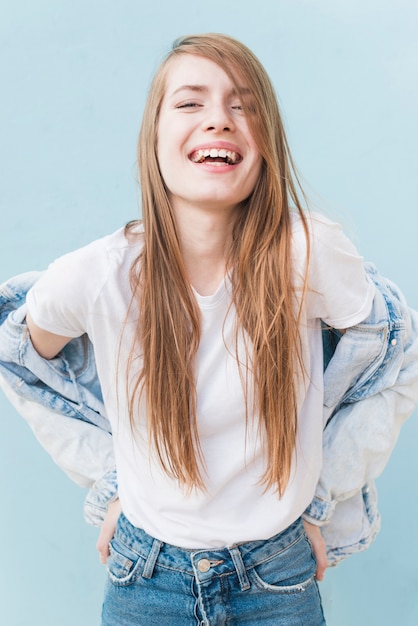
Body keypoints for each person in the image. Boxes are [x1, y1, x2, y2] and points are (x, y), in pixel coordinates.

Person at [2, 33, 417, 625]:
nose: (219, 120)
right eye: (191, 103)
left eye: (243, 105)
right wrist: (116, 482)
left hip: (279, 576)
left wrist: (322, 501)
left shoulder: (308, 254)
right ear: (154, 138)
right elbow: (19, 355)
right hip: (146, 580)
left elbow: (397, 356)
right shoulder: (99, 275)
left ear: (265, 143)